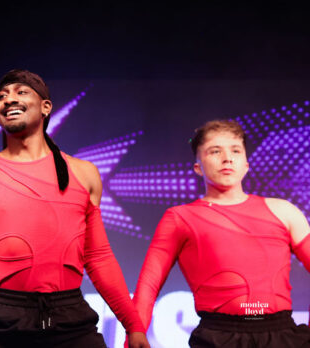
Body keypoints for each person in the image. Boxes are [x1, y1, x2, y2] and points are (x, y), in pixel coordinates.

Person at [0, 69, 149, 348]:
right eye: (2, 96)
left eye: (21, 92)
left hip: (71, 320)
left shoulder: (83, 173)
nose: (9, 99)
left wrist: (134, 326)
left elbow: (98, 257)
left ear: (46, 107)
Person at [127, 119, 310, 347]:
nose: (227, 158)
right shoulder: (180, 218)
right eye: (215, 151)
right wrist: (135, 331)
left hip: (284, 336)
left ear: (246, 164)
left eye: (235, 151)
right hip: (217, 338)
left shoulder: (284, 211)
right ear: (198, 167)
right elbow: (149, 284)